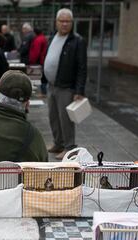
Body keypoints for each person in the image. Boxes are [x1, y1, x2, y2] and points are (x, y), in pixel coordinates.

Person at [43, 8, 87, 160]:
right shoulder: (52, 37)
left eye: (67, 21)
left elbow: (82, 67)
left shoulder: (77, 40)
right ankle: (58, 143)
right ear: (56, 22)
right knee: (53, 117)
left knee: (65, 119)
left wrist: (79, 90)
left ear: (72, 23)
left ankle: (69, 148)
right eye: (61, 21)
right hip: (52, 85)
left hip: (67, 87)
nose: (64, 24)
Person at [29, 28, 48, 96]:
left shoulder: (38, 39)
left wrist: (32, 60)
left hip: (40, 61)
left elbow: (36, 52)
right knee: (43, 77)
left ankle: (43, 92)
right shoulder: (43, 38)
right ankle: (44, 92)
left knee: (41, 77)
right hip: (43, 59)